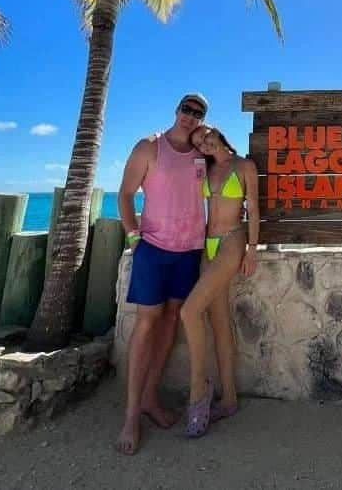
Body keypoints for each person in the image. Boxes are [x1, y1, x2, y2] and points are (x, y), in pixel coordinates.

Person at [115, 93, 209, 455]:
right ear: (176, 110)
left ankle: (150, 399)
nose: (190, 116)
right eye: (187, 109)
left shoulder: (203, 153)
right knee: (147, 324)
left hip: (189, 251)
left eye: (198, 113)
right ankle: (130, 416)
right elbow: (125, 194)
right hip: (153, 249)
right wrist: (133, 234)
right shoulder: (149, 147)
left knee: (171, 322)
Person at [180, 124, 259, 438]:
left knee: (189, 311)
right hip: (206, 246)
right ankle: (229, 398)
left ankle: (198, 390)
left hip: (231, 241)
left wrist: (252, 249)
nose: (205, 142)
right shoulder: (204, 169)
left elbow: (253, 209)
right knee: (220, 321)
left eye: (207, 135)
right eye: (199, 141)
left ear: (220, 134)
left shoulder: (244, 166)